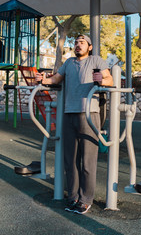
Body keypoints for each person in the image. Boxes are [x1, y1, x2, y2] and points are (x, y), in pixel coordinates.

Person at [35, 34, 113, 214]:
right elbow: (56, 79)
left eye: (82, 43)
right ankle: (73, 197)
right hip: (69, 113)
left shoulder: (96, 60)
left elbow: (110, 80)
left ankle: (86, 199)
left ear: (90, 46)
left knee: (87, 161)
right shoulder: (69, 63)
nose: (78, 45)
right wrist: (43, 80)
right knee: (70, 160)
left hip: (89, 114)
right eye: (76, 43)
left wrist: (101, 79)